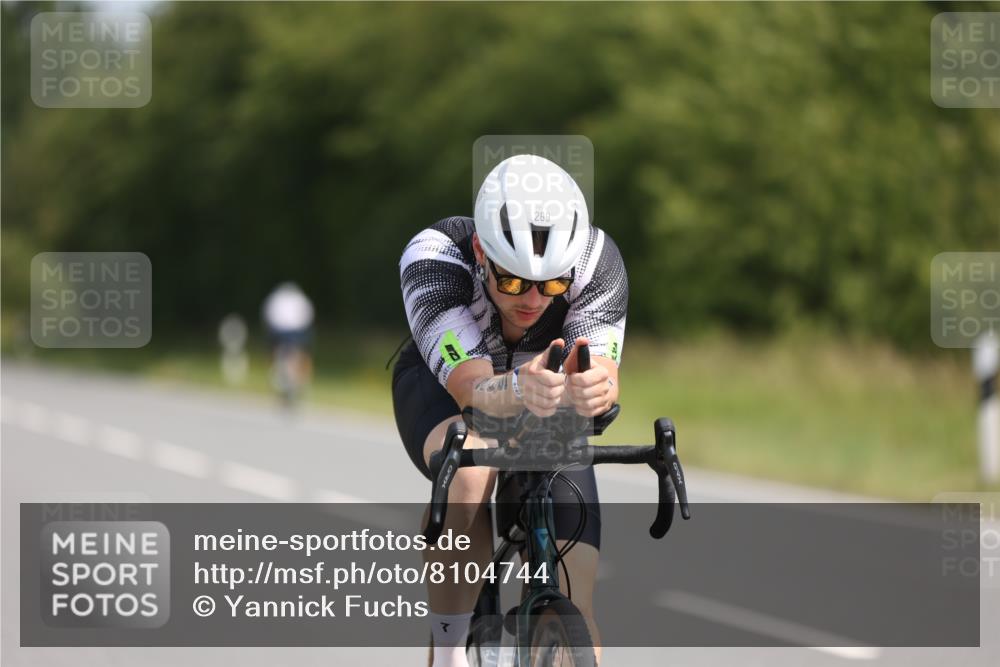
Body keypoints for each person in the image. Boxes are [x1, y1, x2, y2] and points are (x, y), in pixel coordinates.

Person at [392, 154, 628, 666]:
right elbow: (474, 393)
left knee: (577, 596)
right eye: (514, 282)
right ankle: (451, 648)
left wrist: (595, 391)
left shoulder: (598, 259)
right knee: (472, 466)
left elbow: (604, 373)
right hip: (448, 386)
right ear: (481, 252)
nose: (535, 300)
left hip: (546, 389)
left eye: (553, 284)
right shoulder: (436, 258)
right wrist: (522, 384)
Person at [261, 281, 315, 404]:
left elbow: (268, 316)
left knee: (275, 351)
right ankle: (301, 380)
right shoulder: (300, 299)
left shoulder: (276, 298)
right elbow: (307, 317)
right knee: (303, 353)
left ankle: (283, 376)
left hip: (280, 332)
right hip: (295, 332)